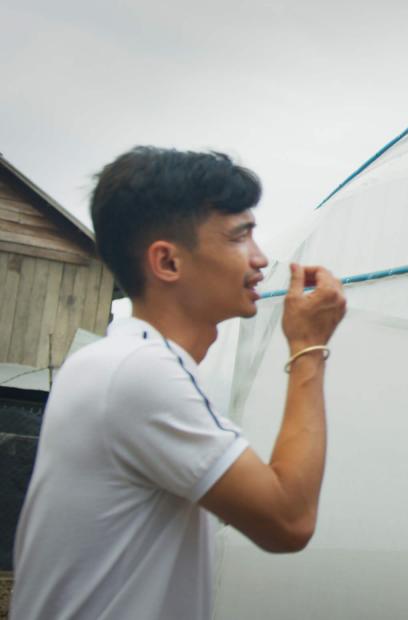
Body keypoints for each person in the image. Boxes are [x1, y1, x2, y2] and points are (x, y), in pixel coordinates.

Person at [10, 147, 347, 620]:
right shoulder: (137, 373)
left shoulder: (133, 363)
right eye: (239, 237)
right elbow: (288, 520)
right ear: (167, 263)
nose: (260, 258)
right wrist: (308, 347)